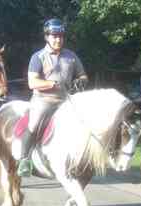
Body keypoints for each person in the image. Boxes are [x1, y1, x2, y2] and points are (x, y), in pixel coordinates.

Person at [17, 18, 88, 177]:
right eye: (54, 36)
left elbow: (83, 75)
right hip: (43, 100)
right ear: (46, 37)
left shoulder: (71, 56)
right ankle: (24, 161)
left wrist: (80, 82)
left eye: (61, 36)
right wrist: (51, 83)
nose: (58, 39)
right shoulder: (38, 57)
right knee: (34, 125)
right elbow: (32, 82)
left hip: (66, 101)